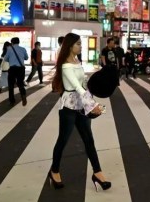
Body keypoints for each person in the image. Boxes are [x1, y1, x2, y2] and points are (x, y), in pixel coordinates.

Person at [49, 32, 110, 191]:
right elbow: (77, 87)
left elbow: (84, 85)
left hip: (81, 107)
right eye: (78, 44)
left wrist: (98, 86)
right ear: (70, 46)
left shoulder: (77, 61)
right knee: (62, 141)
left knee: (89, 140)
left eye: (80, 44)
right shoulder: (65, 66)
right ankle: (54, 171)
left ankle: (98, 173)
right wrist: (93, 104)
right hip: (69, 108)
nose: (81, 46)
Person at [3, 37, 29, 106]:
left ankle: (12, 100)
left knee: (11, 85)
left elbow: (5, 59)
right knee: (20, 83)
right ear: (18, 42)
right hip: (21, 68)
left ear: (12, 42)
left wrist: (11, 60)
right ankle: (23, 95)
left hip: (12, 68)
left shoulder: (9, 49)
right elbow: (26, 58)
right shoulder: (23, 49)